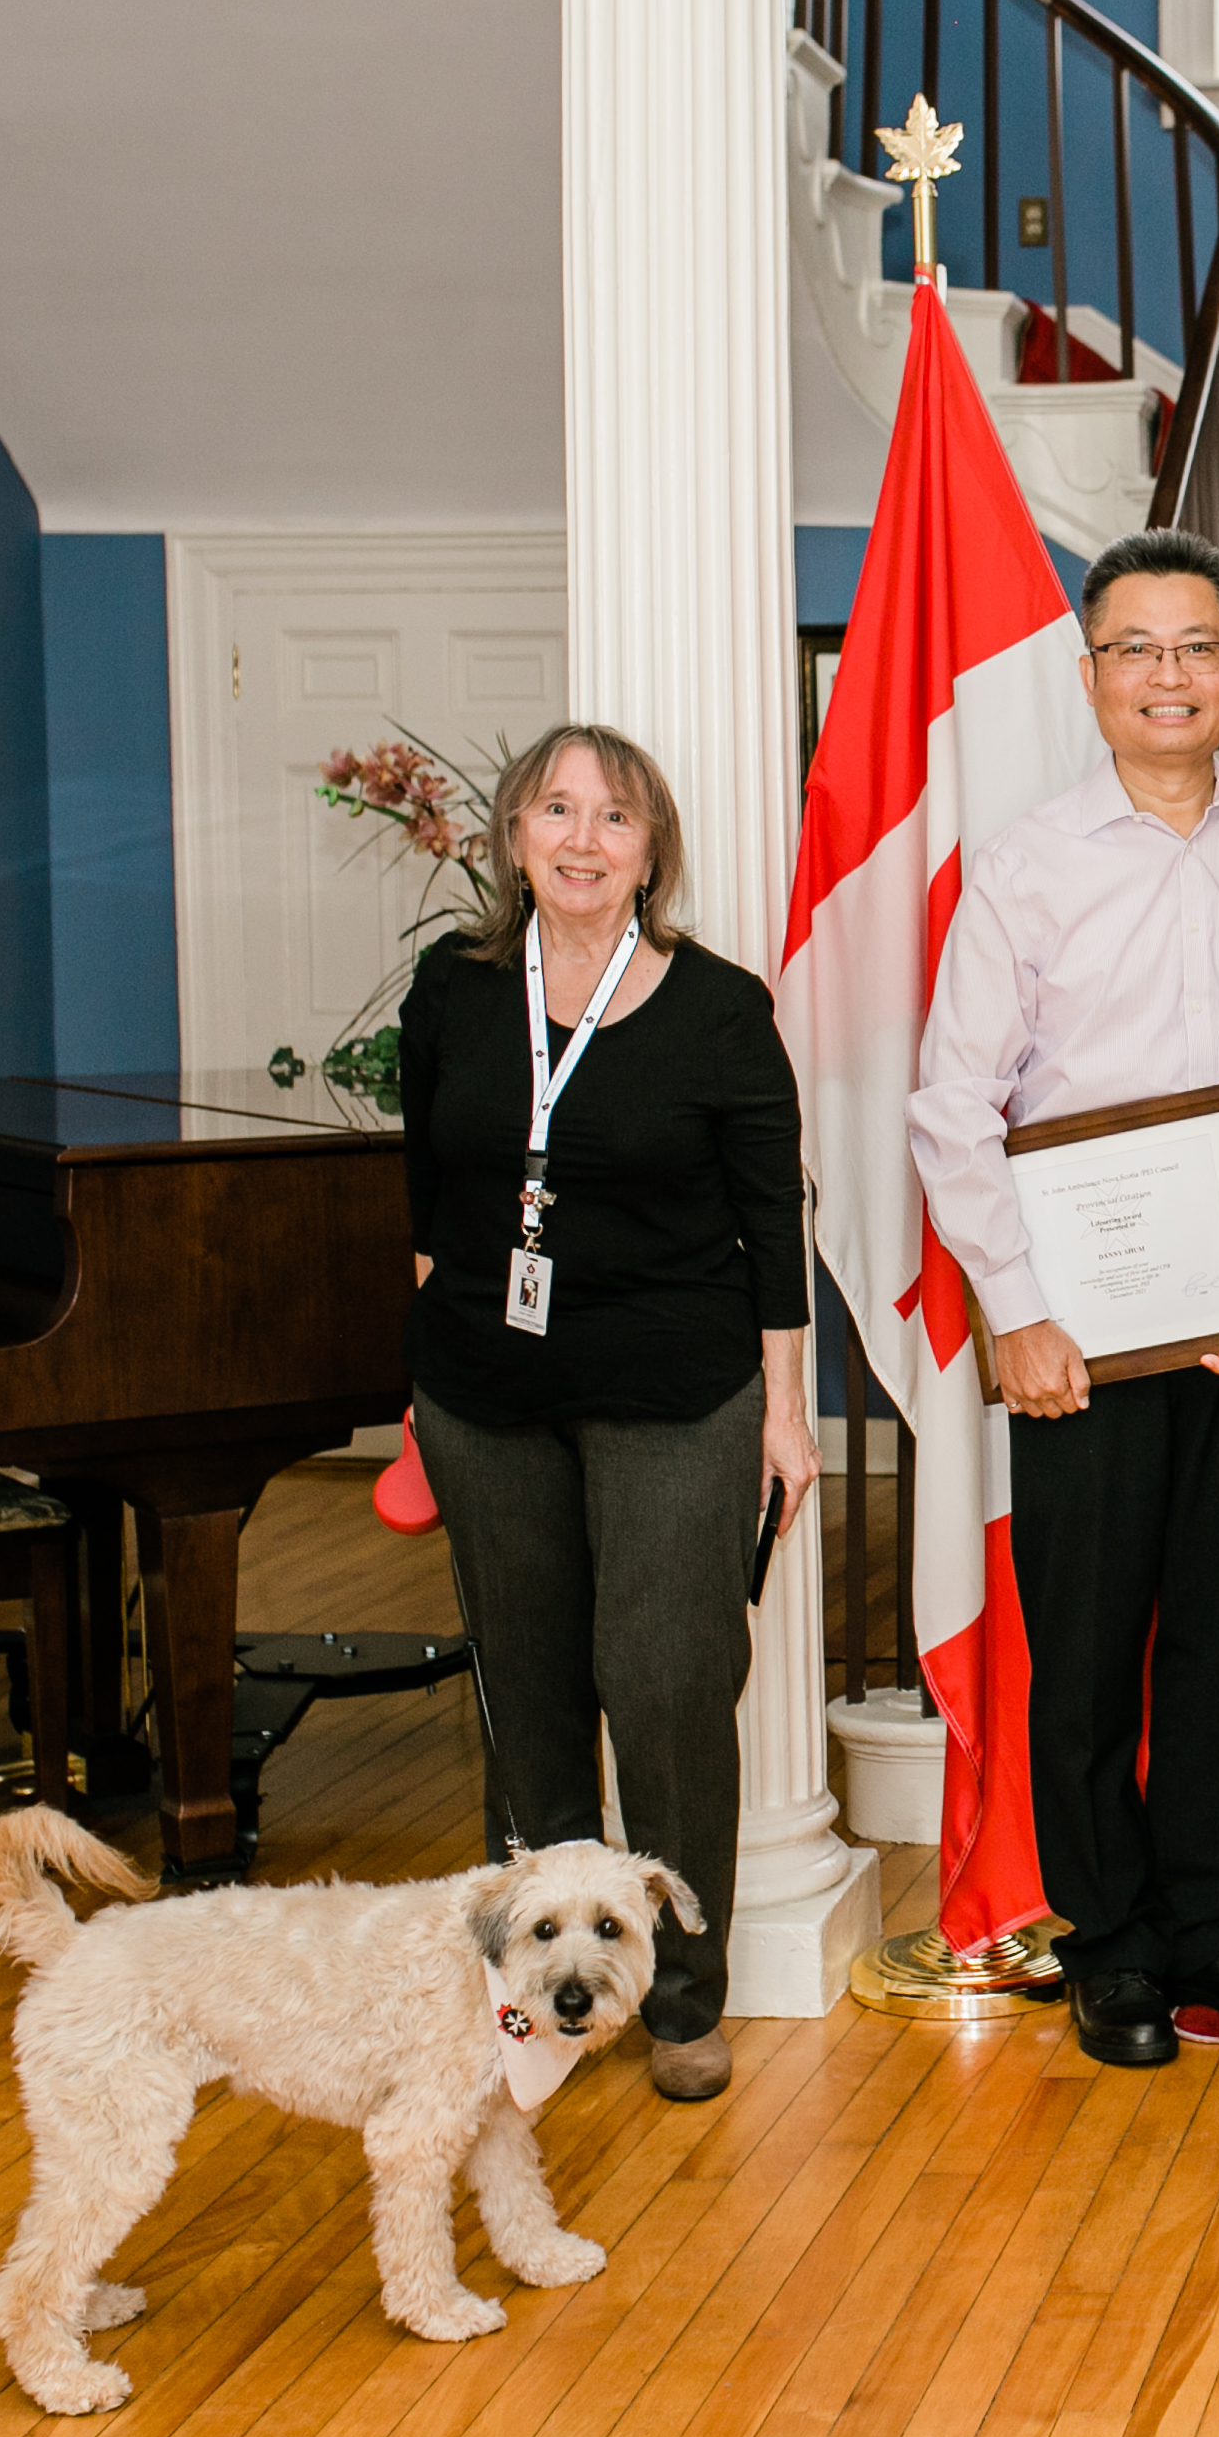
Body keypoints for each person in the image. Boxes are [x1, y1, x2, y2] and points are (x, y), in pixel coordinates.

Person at [909, 526, 1219, 2068]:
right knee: (1092, 1642)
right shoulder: (1029, 865)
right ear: (1092, 674)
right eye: (1137, 649)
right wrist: (1023, 1309)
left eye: (1197, 647)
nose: (1169, 675)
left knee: (1216, 1638)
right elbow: (951, 1106)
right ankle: (1107, 1939)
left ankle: (1209, 1922)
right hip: (1078, 1342)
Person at [399, 722, 817, 2104]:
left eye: (616, 818)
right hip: (484, 1396)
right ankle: (536, 1998)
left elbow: (772, 1228)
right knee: (525, 1700)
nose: (584, 839)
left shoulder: (717, 1007)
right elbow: (430, 1200)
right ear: (516, 833)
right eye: (558, 810)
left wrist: (784, 1412)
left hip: (676, 1395)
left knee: (667, 1685)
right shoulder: (453, 993)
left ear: (653, 851)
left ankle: (683, 1996)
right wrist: (420, 1387)